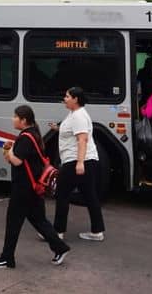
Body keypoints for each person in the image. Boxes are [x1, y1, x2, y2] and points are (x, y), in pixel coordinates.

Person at [0, 105, 71, 269]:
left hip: (24, 188)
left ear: (23, 120)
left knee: (13, 222)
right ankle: (60, 248)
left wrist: (9, 149)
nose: (13, 119)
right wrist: (12, 151)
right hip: (34, 187)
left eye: (15, 116)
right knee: (39, 220)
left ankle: (6, 258)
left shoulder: (25, 137)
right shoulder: (34, 134)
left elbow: (17, 160)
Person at [50, 87, 105, 241]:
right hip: (86, 160)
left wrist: (80, 163)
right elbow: (73, 132)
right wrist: (58, 128)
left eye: (67, 96)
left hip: (77, 161)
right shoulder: (75, 114)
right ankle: (97, 231)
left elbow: (82, 139)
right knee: (90, 195)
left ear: (75, 99)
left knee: (62, 194)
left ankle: (57, 231)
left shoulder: (78, 116)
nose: (64, 98)